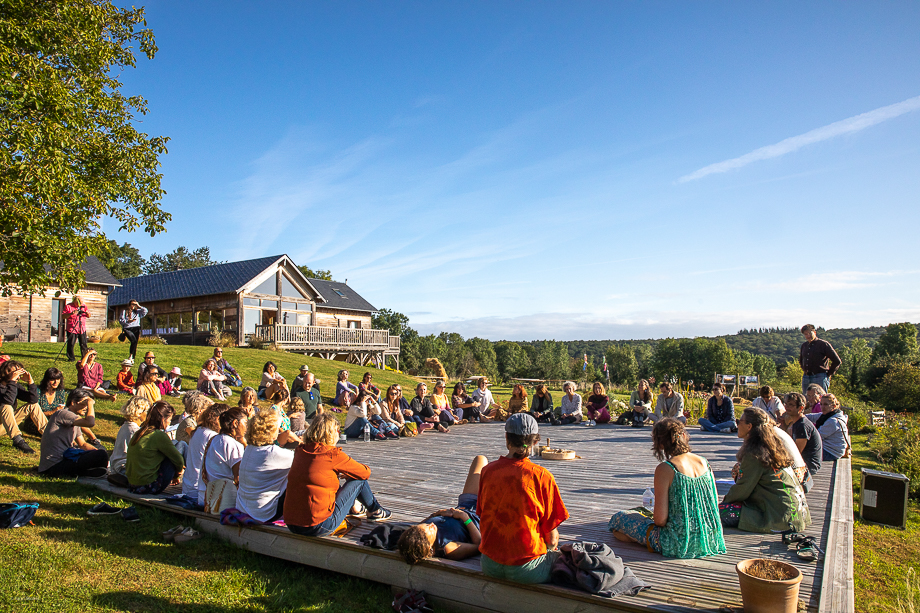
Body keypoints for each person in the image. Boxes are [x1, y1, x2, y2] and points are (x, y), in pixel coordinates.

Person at [609, 418, 726, 558]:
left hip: (678, 543)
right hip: (709, 539)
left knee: (619, 520)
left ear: (660, 444)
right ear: (683, 436)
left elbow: (660, 520)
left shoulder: (667, 468)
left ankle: (643, 541)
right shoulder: (704, 462)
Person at [477, 413, 568, 584]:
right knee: (562, 557)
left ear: (506, 438)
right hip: (528, 569)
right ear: (535, 442)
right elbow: (552, 538)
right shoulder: (542, 476)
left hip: (489, 564)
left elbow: (482, 514)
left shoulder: (488, 471)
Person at [284, 413, 392, 536]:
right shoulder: (332, 455)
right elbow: (365, 472)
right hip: (319, 526)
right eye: (338, 431)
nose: (339, 434)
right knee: (359, 481)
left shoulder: (300, 451)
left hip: (292, 524)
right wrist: (349, 473)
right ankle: (375, 510)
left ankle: (356, 508)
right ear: (331, 433)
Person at [720, 408, 811, 533]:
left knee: (718, 512)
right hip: (798, 514)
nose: (736, 424)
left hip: (779, 517)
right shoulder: (772, 446)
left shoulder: (755, 454)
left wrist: (723, 503)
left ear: (749, 426)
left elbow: (742, 490)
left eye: (739, 421)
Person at [397, 455, 487, 564]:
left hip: (466, 504)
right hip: (483, 514)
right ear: (429, 546)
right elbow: (479, 545)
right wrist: (465, 518)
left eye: (426, 524)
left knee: (480, 459)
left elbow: (429, 521)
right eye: (429, 529)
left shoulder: (417, 534)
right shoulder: (448, 548)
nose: (430, 525)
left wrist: (436, 514)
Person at [236, 409, 294, 523]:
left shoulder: (249, 449)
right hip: (264, 513)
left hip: (242, 507)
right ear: (272, 432)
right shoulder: (274, 453)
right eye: (278, 429)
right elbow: (303, 461)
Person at [37, 389, 108, 477]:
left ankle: (88, 472)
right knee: (101, 455)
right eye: (85, 403)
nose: (86, 408)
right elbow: (90, 423)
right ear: (73, 402)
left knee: (101, 454)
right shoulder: (62, 413)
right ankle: (87, 472)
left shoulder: (75, 419)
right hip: (54, 465)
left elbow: (82, 444)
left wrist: (96, 453)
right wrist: (90, 404)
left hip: (64, 461)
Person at [126, 401, 186, 494]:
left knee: (173, 444)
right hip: (149, 486)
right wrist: (177, 474)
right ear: (163, 419)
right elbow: (178, 460)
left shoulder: (140, 432)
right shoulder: (158, 435)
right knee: (181, 445)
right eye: (169, 420)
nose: (169, 423)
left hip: (133, 485)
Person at [39, 366, 101, 448]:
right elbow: (36, 412)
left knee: (76, 418)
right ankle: (87, 440)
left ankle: (92, 438)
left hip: (60, 417)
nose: (56, 382)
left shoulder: (59, 391)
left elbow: (82, 443)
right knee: (74, 418)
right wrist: (52, 412)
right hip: (42, 421)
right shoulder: (39, 391)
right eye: (52, 379)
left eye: (58, 379)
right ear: (46, 380)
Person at [199, 407, 248, 508]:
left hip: (207, 497)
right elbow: (238, 478)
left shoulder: (214, 439)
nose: (247, 427)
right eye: (245, 423)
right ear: (235, 423)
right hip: (224, 501)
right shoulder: (233, 444)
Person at [181, 403, 229, 504]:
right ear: (218, 419)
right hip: (200, 491)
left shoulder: (199, 431)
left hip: (189, 487)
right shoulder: (213, 437)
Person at [0, 360, 48, 453]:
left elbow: (33, 400)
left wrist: (31, 383)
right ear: (6, 372)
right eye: (16, 372)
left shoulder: (14, 386)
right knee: (6, 406)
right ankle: (17, 440)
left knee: (33, 405)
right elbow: (8, 401)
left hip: (8, 425)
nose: (18, 375)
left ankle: (51, 435)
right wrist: (12, 381)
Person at [107, 396, 151, 487]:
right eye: (147, 412)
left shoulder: (126, 426)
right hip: (124, 465)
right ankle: (127, 479)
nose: (148, 415)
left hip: (116, 464)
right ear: (138, 413)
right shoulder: (134, 431)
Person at [782, 392, 822, 477]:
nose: (787, 407)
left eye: (791, 405)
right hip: (803, 462)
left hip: (808, 466)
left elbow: (796, 452)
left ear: (800, 408)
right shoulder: (795, 423)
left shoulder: (802, 425)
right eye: (786, 404)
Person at [807, 393, 851, 462]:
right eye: (821, 404)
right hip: (828, 448)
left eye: (826, 404)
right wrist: (796, 416)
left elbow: (816, 437)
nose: (822, 407)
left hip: (831, 452)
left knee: (802, 453)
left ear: (833, 406)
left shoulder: (833, 421)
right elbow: (810, 417)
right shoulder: (827, 415)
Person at [799, 324, 841, 394]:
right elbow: (801, 359)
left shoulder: (823, 344)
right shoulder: (804, 345)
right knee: (806, 400)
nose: (808, 336)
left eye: (809, 333)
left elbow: (837, 361)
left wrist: (828, 374)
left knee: (821, 399)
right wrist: (804, 369)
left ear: (814, 332)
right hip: (806, 377)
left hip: (819, 377)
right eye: (806, 334)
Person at [118, 299, 148, 364]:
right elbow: (120, 320)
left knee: (135, 342)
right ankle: (131, 356)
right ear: (129, 304)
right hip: (128, 328)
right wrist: (128, 321)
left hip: (136, 328)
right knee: (133, 340)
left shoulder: (138, 312)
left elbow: (145, 311)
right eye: (132, 304)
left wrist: (139, 306)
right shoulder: (125, 311)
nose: (133, 306)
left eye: (135, 304)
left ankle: (132, 357)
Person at [61, 295, 90, 362]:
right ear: (75, 301)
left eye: (81, 302)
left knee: (83, 344)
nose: (80, 304)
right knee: (71, 344)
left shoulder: (84, 306)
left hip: (81, 328)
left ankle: (84, 357)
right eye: (78, 302)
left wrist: (87, 313)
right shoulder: (68, 306)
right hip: (72, 328)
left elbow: (89, 315)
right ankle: (71, 358)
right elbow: (63, 316)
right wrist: (71, 313)